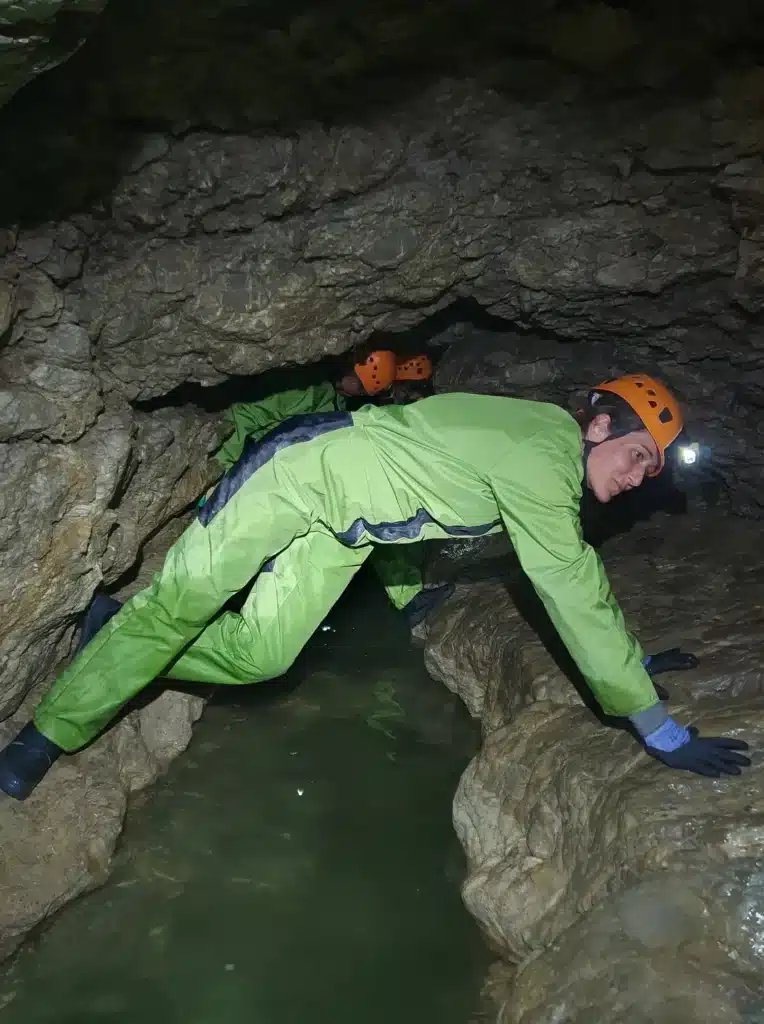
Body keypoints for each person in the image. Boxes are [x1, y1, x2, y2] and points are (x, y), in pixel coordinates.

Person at [0, 373, 749, 801]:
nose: (638, 477)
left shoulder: (541, 456)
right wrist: (659, 729)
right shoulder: (543, 450)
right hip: (296, 475)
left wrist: (631, 664)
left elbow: (571, 574)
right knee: (177, 608)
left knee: (263, 656)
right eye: (638, 455)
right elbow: (569, 584)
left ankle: (112, 635)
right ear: (598, 427)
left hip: (342, 529)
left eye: (652, 472)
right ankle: (44, 735)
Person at [208, 346, 450, 629]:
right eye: (358, 384)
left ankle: (409, 599)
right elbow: (243, 418)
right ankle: (234, 615)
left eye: (363, 390)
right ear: (351, 368)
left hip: (297, 477)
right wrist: (219, 480)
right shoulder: (303, 390)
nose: (356, 391)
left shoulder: (336, 400)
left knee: (371, 512)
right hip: (262, 473)